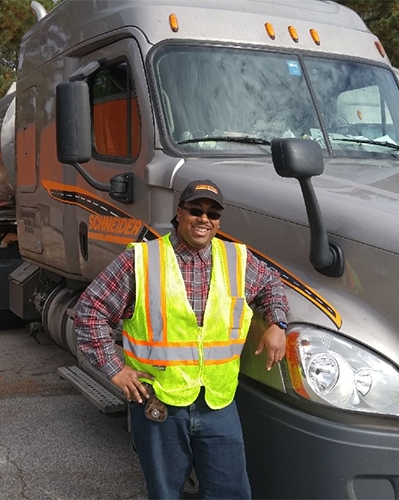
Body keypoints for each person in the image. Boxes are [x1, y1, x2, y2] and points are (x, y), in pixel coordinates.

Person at [73, 178, 290, 499]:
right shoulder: (143, 260)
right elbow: (89, 310)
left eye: (213, 214)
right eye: (196, 210)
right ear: (179, 213)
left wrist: (277, 323)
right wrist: (114, 369)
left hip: (217, 404)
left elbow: (272, 283)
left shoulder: (237, 260)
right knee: (165, 494)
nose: (204, 219)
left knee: (232, 492)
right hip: (159, 403)